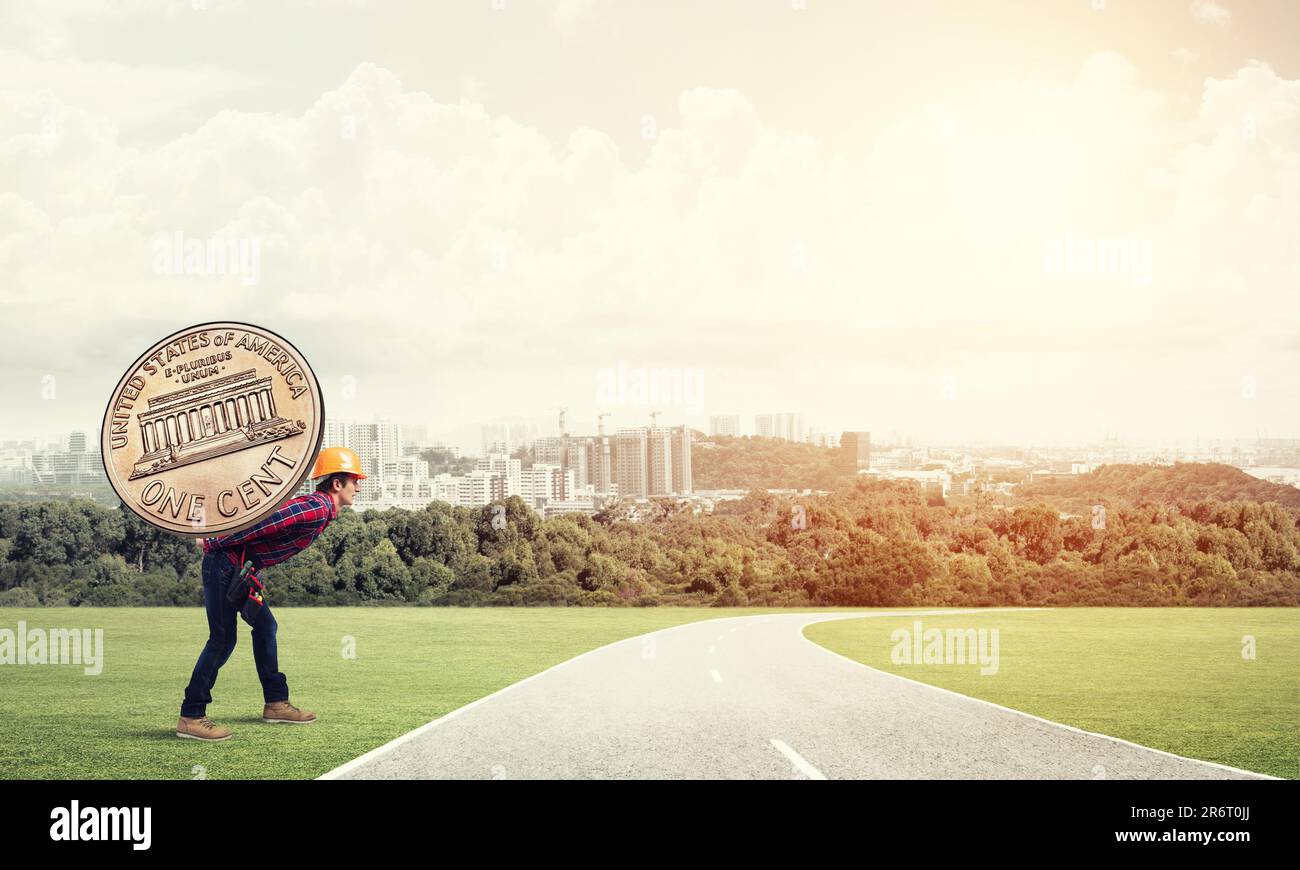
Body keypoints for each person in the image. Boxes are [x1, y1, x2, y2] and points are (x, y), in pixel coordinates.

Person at [175, 446, 365, 741]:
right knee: (222, 639)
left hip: (239, 569)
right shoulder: (316, 507)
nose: (359, 486)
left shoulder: (323, 511)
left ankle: (276, 703)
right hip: (224, 563)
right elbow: (267, 522)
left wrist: (251, 570)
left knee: (266, 627)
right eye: (355, 480)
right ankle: (191, 716)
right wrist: (214, 540)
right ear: (337, 483)